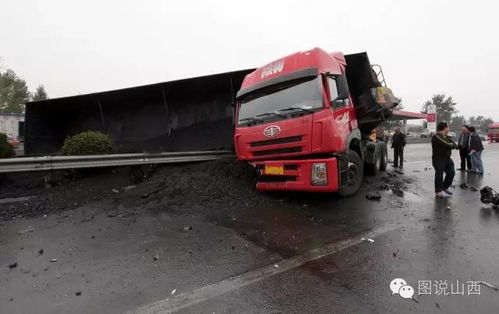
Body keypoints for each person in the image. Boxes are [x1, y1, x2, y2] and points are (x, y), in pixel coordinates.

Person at [432, 122, 457, 197]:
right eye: (448, 127)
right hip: (439, 159)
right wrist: (450, 145)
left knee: (451, 173)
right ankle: (438, 191)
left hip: (447, 158)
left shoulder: (447, 136)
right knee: (439, 175)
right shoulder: (436, 136)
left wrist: (451, 145)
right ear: (444, 128)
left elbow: (455, 145)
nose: (449, 129)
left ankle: (444, 187)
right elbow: (446, 144)